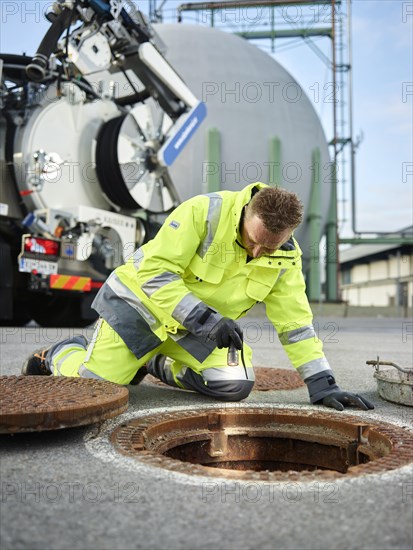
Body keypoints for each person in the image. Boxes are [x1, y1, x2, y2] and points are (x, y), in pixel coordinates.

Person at [22, 182, 374, 411]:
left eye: (269, 246)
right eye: (252, 240)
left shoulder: (284, 258)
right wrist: (207, 320)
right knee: (94, 395)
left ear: (289, 236)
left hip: (195, 330)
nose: (256, 252)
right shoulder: (203, 213)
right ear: (246, 212)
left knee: (234, 383)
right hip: (137, 309)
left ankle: (153, 363)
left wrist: (322, 382)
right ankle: (57, 354)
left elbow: (295, 324)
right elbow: (154, 275)